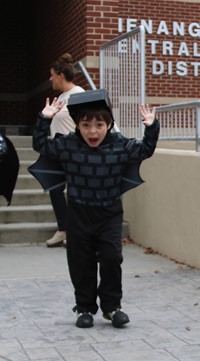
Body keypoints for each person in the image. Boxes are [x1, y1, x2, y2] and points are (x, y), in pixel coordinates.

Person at [32, 89, 160, 328]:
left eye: (99, 124)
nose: (93, 131)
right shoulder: (67, 145)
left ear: (109, 124)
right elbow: (40, 145)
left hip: (109, 214)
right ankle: (84, 308)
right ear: (78, 125)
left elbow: (145, 150)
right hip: (78, 214)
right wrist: (45, 118)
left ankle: (112, 307)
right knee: (82, 262)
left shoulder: (120, 145)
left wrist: (151, 127)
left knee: (112, 258)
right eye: (86, 124)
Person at [45, 52, 85, 247]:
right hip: (57, 152)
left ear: (60, 75)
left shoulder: (79, 95)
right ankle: (62, 229)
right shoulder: (61, 97)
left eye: (52, 75)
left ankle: (75, 232)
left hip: (74, 153)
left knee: (75, 193)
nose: (50, 78)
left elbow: (90, 124)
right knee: (54, 189)